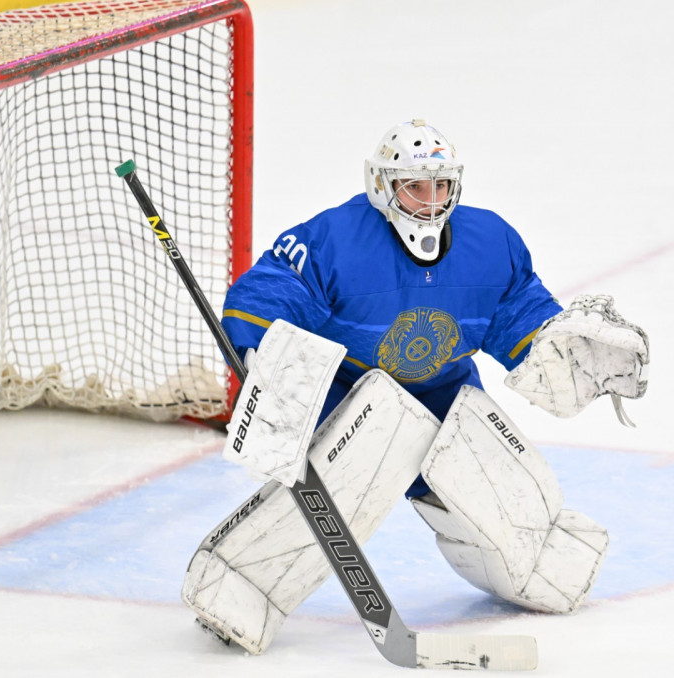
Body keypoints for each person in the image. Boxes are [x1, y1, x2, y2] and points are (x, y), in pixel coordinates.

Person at [181, 119, 649, 655]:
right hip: (350, 394)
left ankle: (530, 565)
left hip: (445, 393)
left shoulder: (491, 242)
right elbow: (272, 291)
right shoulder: (336, 238)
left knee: (520, 525)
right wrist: (262, 360)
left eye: (440, 186)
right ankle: (235, 585)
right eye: (414, 186)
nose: (430, 201)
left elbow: (518, 312)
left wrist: (560, 349)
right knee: (356, 469)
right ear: (383, 186)